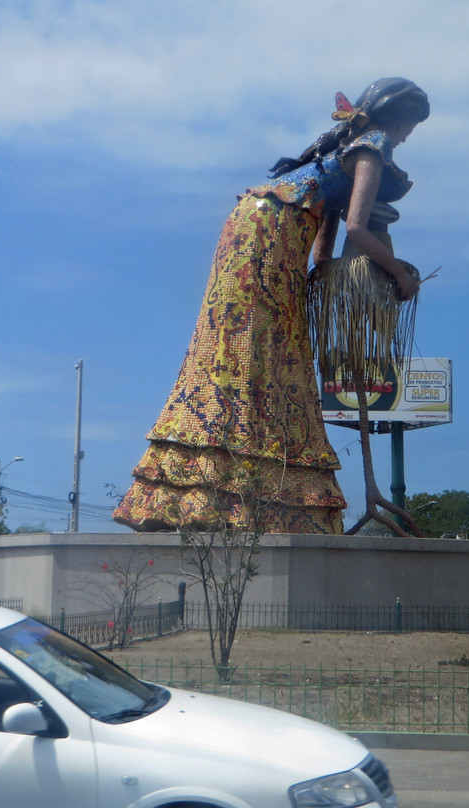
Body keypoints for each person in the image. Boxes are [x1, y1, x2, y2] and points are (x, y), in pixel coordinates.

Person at [114, 78, 429, 534]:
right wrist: (398, 275)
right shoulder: (373, 146)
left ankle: (196, 494)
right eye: (411, 126)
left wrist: (351, 286)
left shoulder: (338, 153)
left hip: (253, 223)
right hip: (270, 234)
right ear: (398, 117)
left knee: (239, 346)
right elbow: (358, 230)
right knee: (267, 351)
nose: (408, 136)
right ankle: (227, 498)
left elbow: (322, 256)